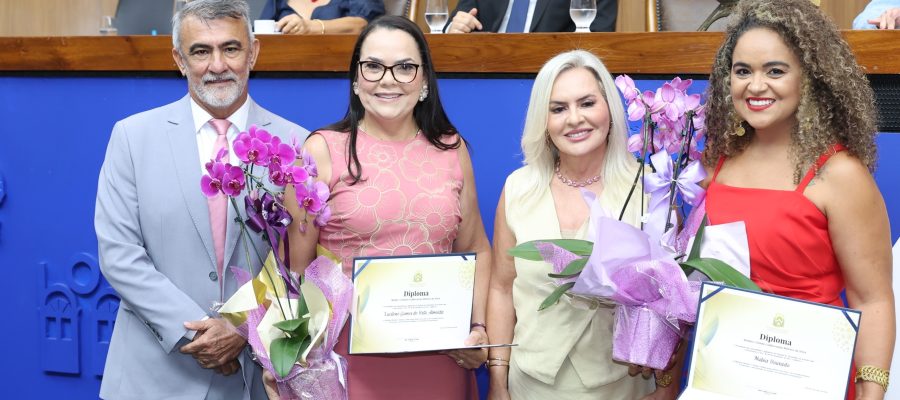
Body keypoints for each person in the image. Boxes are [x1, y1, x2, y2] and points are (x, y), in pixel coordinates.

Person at [94, 0, 307, 399]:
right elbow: (119, 255)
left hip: (254, 380)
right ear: (179, 59)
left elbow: (301, 261)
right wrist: (198, 333)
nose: (217, 65)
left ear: (253, 53)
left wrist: (242, 326)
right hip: (151, 377)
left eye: (231, 48)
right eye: (200, 51)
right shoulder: (132, 138)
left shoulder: (295, 145)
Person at [277, 15, 492, 399]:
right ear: (356, 79)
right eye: (373, 66)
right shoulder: (320, 151)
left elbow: (476, 248)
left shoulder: (451, 148)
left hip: (441, 362)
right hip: (347, 366)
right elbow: (293, 270)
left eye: (405, 67)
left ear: (424, 81)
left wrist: (478, 327)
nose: (388, 80)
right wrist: (285, 354)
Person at [703, 0, 895, 398]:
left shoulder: (840, 174)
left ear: (809, 77)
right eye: (742, 71)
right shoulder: (716, 161)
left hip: (811, 380)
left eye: (775, 71)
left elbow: (872, 299)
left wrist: (871, 391)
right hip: (724, 378)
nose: (756, 86)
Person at [487, 50, 678, 400]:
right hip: (531, 385)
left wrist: (667, 386)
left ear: (609, 109)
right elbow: (501, 287)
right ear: (543, 121)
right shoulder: (518, 188)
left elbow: (674, 296)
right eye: (558, 108)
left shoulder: (650, 188)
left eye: (587, 103)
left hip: (622, 386)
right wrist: (498, 378)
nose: (574, 119)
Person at [446, 0, 617, 33]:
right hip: (483, 74)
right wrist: (454, 29)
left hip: (554, 80)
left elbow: (599, 35)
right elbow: (458, 20)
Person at [260, 0, 384, 35]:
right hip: (280, 74)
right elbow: (261, 36)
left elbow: (362, 25)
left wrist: (311, 27)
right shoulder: (278, 2)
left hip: (338, 73)